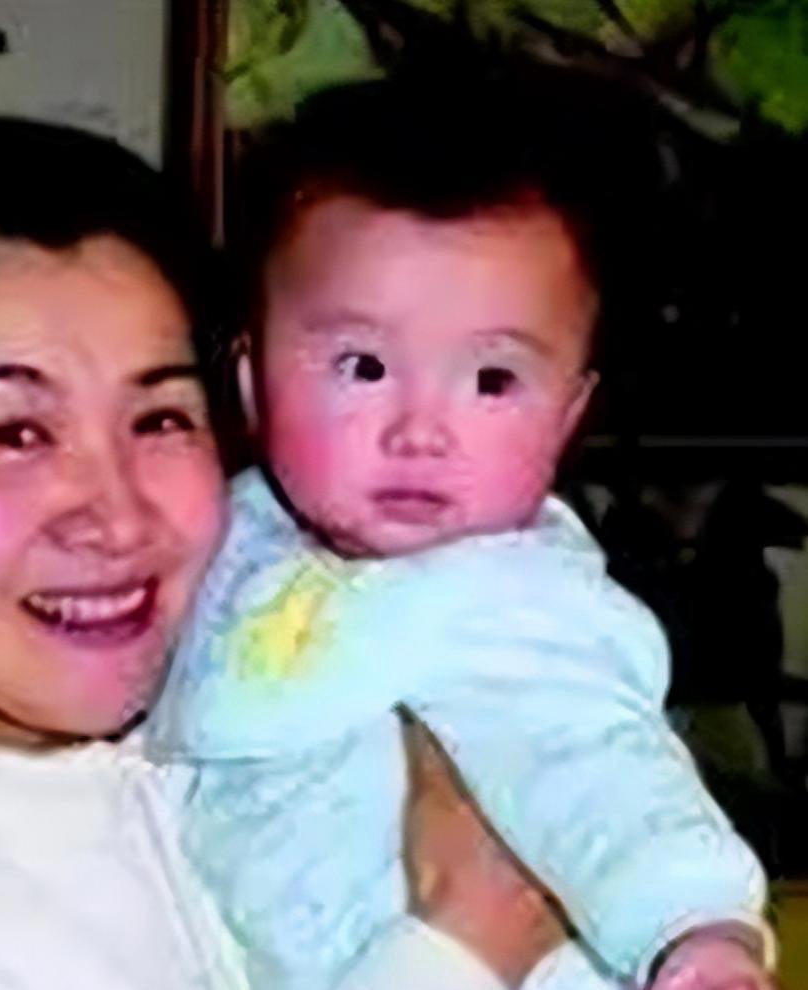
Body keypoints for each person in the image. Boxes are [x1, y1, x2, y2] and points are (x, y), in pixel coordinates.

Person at [0, 115, 565, 989]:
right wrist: (459, 952)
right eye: (14, 434)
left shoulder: (283, 702)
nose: (117, 515)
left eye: (161, 418)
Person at [147, 70, 776, 990]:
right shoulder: (224, 543)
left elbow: (605, 771)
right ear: (252, 384)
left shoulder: (524, 602)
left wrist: (698, 929)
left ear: (566, 417)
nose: (420, 431)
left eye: (492, 380)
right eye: (362, 367)